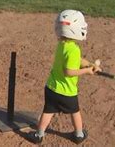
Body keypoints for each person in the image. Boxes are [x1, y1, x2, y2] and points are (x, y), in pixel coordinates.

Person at [29, 9, 101, 144]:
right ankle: (79, 135)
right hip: (67, 92)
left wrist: (90, 64)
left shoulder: (62, 44)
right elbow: (69, 71)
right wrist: (87, 71)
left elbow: (77, 60)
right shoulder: (74, 49)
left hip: (52, 88)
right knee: (75, 112)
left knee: (48, 111)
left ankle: (39, 135)